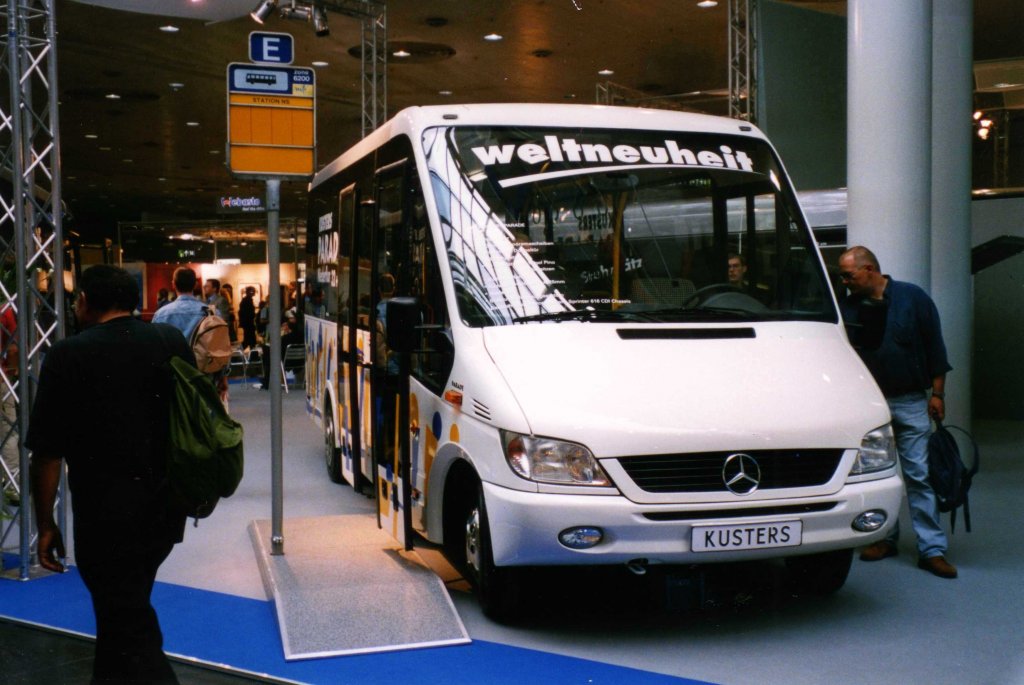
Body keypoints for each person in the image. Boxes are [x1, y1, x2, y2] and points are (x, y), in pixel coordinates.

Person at [27, 264, 193, 683]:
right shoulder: (169, 341)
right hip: (164, 506)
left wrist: (45, 525)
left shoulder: (68, 354)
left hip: (104, 513)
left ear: (84, 301)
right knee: (124, 610)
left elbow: (47, 454)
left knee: (126, 620)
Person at [837, 245, 956, 579]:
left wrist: (937, 394)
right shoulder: (846, 306)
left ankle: (932, 549)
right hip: (870, 405)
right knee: (877, 476)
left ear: (870, 269)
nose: (844, 281)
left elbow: (935, 347)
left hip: (909, 400)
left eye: (849, 274)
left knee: (919, 474)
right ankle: (883, 537)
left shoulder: (912, 298)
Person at [154, 267, 229, 401]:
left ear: (173, 284)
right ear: (195, 284)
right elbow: (219, 346)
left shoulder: (162, 314)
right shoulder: (211, 313)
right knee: (205, 418)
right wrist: (223, 377)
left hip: (174, 378)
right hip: (205, 377)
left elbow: (155, 350)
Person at [238, 286, 258, 350]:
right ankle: (240, 351)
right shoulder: (246, 300)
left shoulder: (247, 300)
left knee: (249, 339)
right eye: (252, 291)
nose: (253, 293)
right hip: (248, 323)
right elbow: (245, 312)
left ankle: (253, 352)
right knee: (249, 339)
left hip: (248, 322)